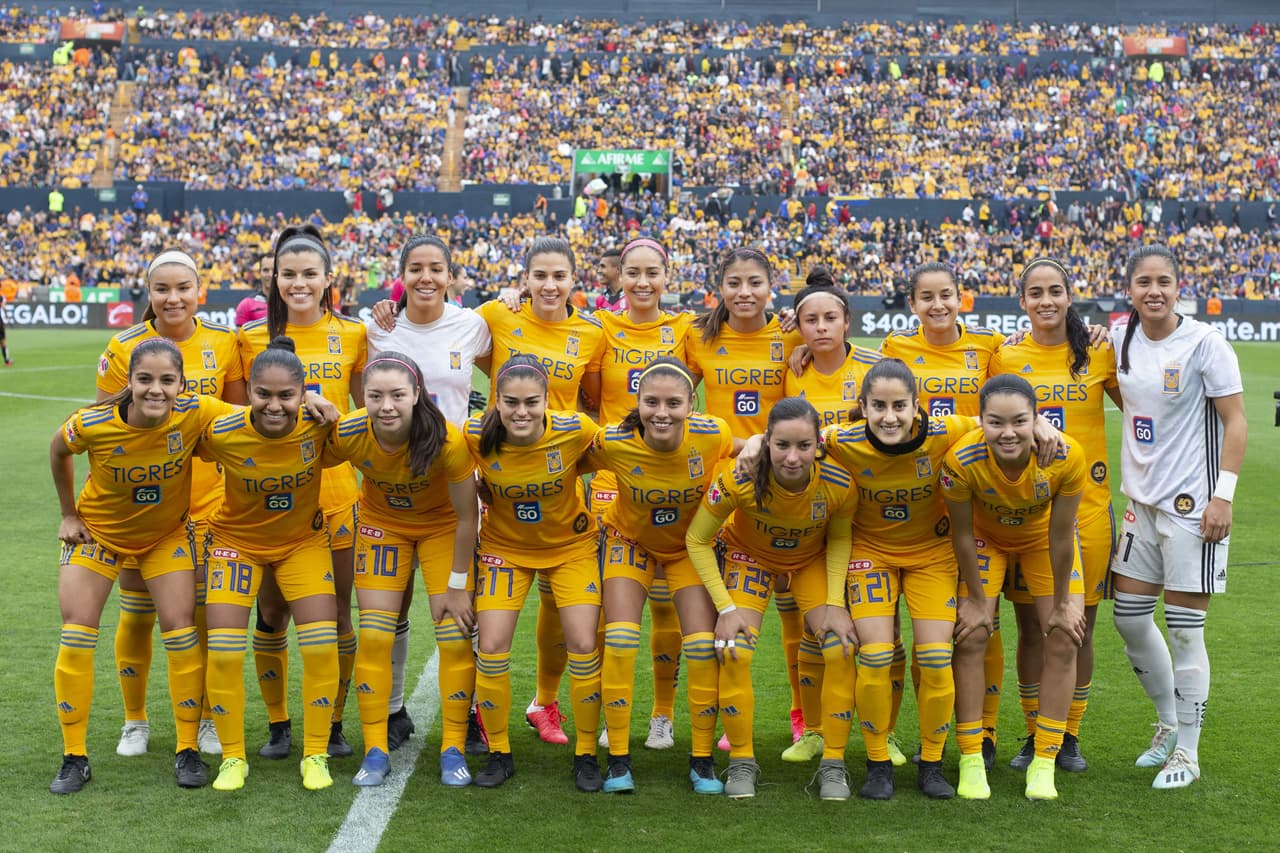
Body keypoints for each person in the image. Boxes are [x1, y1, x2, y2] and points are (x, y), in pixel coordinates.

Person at [50, 338, 232, 793]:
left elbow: (254, 416)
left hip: (164, 536)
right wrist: (68, 513)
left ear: (182, 384)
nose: (156, 390)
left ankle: (187, 749)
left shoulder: (197, 411)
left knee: (180, 629)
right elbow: (58, 450)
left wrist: (308, 398)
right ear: (128, 382)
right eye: (145, 380)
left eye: (167, 380)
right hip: (100, 536)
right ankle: (74, 757)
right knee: (76, 632)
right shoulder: (92, 422)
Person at [95, 249, 246, 761]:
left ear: (199, 290)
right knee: (137, 614)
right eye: (162, 288)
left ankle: (204, 717)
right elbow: (103, 429)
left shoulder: (225, 344)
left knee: (198, 616)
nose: (173, 297)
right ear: (149, 293)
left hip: (209, 505)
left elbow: (241, 422)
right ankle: (134, 721)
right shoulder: (124, 347)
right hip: (144, 509)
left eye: (183, 287)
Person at [1109, 245, 1247, 789]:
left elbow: (1235, 420)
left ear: (1178, 285)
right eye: (1144, 281)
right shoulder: (1120, 337)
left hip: (1195, 506)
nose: (1154, 291)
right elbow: (1136, 406)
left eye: (1164, 280)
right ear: (1130, 289)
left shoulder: (1206, 344)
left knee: (1186, 630)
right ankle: (1168, 724)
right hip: (1141, 503)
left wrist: (1224, 495)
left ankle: (1187, 752)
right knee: (1130, 618)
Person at [685, 397, 858, 800]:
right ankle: (742, 760)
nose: (793, 457)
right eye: (782, 445)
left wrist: (835, 603)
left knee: (840, 649)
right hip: (751, 558)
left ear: (819, 445)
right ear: (766, 443)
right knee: (733, 651)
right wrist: (725, 608)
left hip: (810, 561)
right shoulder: (739, 476)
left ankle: (834, 764)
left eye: (803, 446)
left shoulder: (839, 482)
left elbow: (841, 537)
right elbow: (697, 539)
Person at [238, 225, 367, 760]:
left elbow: (365, 416)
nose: (299, 283)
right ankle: (278, 723)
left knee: (338, 615)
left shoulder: (356, 335)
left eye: (309, 274)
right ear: (274, 278)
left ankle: (332, 722)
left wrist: (336, 417)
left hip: (336, 497)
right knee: (272, 612)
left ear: (327, 278)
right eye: (288, 274)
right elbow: (231, 422)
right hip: (268, 504)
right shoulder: (246, 341)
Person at [325, 353, 479, 787]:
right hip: (381, 528)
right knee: (374, 635)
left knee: (453, 634)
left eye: (397, 395)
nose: (386, 405)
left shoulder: (446, 441)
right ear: (364, 399)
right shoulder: (351, 432)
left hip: (442, 528)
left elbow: (468, 517)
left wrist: (457, 586)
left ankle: (452, 747)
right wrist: (310, 409)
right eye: (375, 396)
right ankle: (375, 749)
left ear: (417, 395)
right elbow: (304, 450)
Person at [992, 258, 1121, 773]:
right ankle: (1032, 731)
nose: (1046, 301)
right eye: (1035, 293)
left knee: (1077, 629)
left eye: (1055, 291)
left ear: (1070, 296)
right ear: (1021, 301)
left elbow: (1146, 405)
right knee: (1030, 628)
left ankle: (1068, 734)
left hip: (1087, 513)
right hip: (1026, 516)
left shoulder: (1098, 352)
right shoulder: (1004, 356)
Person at [582, 356, 735, 793]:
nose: (661, 412)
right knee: (621, 639)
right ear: (637, 402)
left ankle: (702, 760)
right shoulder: (614, 440)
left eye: (673, 403)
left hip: (688, 549)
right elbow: (570, 467)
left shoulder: (712, 435)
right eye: (651, 402)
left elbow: (741, 449)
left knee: (703, 647)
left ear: (692, 404)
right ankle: (617, 761)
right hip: (629, 542)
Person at [476, 238, 605, 747]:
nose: (549, 285)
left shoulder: (592, 332)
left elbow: (595, 398)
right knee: (491, 620)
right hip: (503, 476)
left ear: (575, 280)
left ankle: (543, 703)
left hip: (561, 483)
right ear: (524, 279)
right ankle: (484, 718)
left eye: (559, 276)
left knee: (561, 608)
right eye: (539, 276)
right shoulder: (496, 314)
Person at [366, 235, 491, 752]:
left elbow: (506, 370)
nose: (425, 277)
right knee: (392, 608)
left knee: (463, 609)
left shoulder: (473, 325)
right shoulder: (375, 327)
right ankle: (393, 710)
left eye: (435, 268)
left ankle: (475, 713)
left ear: (450, 275)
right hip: (392, 488)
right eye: (415, 268)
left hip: (453, 486)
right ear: (401, 274)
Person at [200, 337, 341, 792]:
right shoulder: (221, 429)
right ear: (249, 392)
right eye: (263, 393)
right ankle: (233, 758)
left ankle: (316, 754)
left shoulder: (321, 428)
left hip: (303, 543)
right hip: (235, 544)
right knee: (223, 652)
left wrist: (325, 403)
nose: (274, 405)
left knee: (320, 646)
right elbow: (171, 407)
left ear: (304, 394)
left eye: (287, 395)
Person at [880, 262, 1004, 769]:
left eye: (946, 295)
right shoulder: (894, 350)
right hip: (914, 502)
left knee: (979, 623)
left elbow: (1006, 406)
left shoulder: (988, 347)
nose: (937, 305)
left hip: (972, 497)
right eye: (926, 297)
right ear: (912, 304)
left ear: (962, 297)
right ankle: (915, 735)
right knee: (923, 635)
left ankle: (986, 731)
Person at [941, 374, 1088, 801]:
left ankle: (1045, 760)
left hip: (1042, 540)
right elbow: (963, 535)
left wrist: (1063, 603)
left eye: (1020, 421)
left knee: (1064, 637)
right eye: (996, 422)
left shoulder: (1066, 456)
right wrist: (975, 601)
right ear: (980, 422)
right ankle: (971, 756)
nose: (1008, 433)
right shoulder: (961, 458)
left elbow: (1062, 536)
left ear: (1036, 420)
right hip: (985, 541)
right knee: (970, 636)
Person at [684, 247, 809, 746]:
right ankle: (721, 713)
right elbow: (672, 398)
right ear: (720, 288)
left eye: (754, 283)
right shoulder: (698, 336)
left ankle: (803, 714)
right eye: (734, 283)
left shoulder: (789, 335)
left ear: (770, 288)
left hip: (786, 482)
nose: (744, 293)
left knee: (794, 607)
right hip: (723, 488)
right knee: (726, 605)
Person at [463, 355, 604, 792]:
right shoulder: (474, 436)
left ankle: (586, 754)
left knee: (582, 642)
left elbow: (615, 451)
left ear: (547, 401)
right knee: (491, 645)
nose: (521, 412)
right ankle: (500, 752)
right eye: (510, 403)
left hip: (571, 549)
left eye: (531, 402)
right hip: (505, 551)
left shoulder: (575, 430)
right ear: (495, 405)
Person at [582, 238, 694, 755]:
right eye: (633, 272)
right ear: (618, 276)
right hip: (613, 481)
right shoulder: (600, 327)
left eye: (653, 272)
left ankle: (663, 717)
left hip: (672, 480)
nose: (643, 282)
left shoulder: (687, 329)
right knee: (613, 609)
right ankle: (615, 708)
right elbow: (587, 393)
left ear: (667, 277)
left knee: (668, 610)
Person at [782, 266, 882, 428]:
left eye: (830, 318)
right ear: (799, 327)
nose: (821, 327)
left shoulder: (876, 368)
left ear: (846, 322)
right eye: (811, 320)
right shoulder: (790, 373)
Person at [234, 253, 273, 328]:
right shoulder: (246, 305)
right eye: (266, 270)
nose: (270, 274)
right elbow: (240, 338)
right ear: (259, 273)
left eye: (274, 270)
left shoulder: (289, 302)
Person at [594, 247, 625, 312]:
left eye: (603, 266)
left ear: (618, 269)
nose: (599, 270)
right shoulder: (600, 300)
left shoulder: (632, 298)